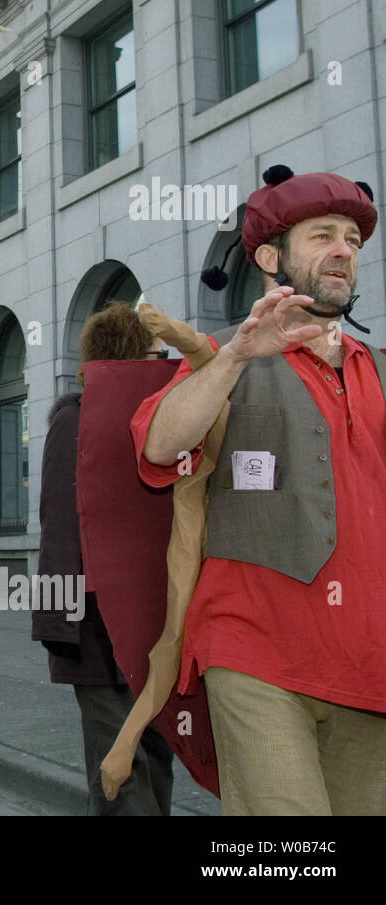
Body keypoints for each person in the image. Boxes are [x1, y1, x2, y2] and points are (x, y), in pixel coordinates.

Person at [135, 167, 386, 816]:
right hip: (257, 655)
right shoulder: (224, 355)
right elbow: (159, 445)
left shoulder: (379, 370)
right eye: (323, 234)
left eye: (354, 240)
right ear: (271, 257)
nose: (343, 248)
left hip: (371, 664)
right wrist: (236, 357)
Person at [31, 301, 175, 815]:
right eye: (158, 353)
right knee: (120, 765)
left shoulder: (163, 417)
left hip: (154, 624)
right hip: (94, 628)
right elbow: (61, 528)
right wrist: (59, 622)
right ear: (127, 356)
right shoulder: (76, 420)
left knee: (156, 754)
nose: (168, 364)